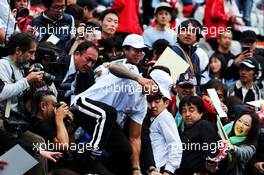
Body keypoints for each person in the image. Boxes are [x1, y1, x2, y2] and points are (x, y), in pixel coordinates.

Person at [70, 51, 157, 174]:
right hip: (82, 105)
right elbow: (113, 66)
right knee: (109, 113)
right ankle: (92, 155)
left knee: (126, 150)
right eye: (154, 86)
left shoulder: (141, 106)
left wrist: (136, 168)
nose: (154, 92)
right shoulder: (132, 72)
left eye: (158, 93)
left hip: (102, 121)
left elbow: (135, 137)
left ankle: (90, 163)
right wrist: (138, 78)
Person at [0, 32, 61, 175]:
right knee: (36, 145)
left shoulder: (21, 69)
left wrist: (35, 85)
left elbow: (21, 95)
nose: (33, 57)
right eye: (31, 52)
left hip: (16, 122)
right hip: (4, 122)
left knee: (38, 142)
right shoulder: (3, 65)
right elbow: (2, 93)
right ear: (18, 51)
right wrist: (27, 81)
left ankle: (8, 171)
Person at [143, 68, 182, 174]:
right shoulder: (150, 117)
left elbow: (175, 144)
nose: (153, 106)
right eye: (149, 101)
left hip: (160, 168)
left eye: (157, 101)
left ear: (166, 103)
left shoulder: (165, 117)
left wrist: (168, 171)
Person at [174, 96, 219, 174]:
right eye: (184, 111)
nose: (187, 114)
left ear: (201, 112)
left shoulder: (204, 125)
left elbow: (212, 153)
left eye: (191, 110)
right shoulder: (184, 130)